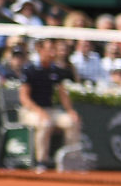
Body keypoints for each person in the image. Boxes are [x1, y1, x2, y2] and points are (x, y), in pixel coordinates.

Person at [20, 36, 82, 172]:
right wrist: (39, 112)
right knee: (45, 123)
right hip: (30, 111)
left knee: (72, 121)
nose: (53, 53)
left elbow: (62, 94)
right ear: (39, 49)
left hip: (50, 110)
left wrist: (70, 110)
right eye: (50, 50)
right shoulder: (29, 69)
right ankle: (41, 161)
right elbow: (24, 97)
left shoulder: (56, 70)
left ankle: (72, 161)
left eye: (54, 50)